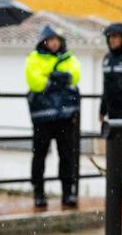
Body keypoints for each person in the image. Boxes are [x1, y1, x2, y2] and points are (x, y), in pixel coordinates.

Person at [25, 24, 81, 208]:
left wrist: (52, 78)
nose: (55, 43)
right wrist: (58, 79)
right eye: (51, 40)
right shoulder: (34, 58)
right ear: (45, 41)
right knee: (40, 155)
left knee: (66, 155)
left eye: (57, 40)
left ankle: (67, 192)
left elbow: (75, 75)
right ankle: (38, 193)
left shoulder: (69, 57)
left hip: (64, 117)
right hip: (43, 117)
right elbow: (35, 82)